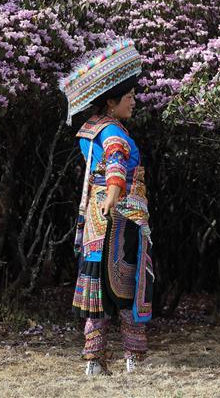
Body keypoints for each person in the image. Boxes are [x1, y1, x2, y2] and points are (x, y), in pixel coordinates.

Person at [59, 38, 153, 375]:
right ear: (112, 102)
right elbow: (115, 159)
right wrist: (114, 192)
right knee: (127, 286)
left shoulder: (92, 128)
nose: (134, 101)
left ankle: (94, 361)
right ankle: (133, 357)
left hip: (96, 223)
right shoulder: (113, 131)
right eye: (129, 97)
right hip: (120, 217)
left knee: (96, 291)